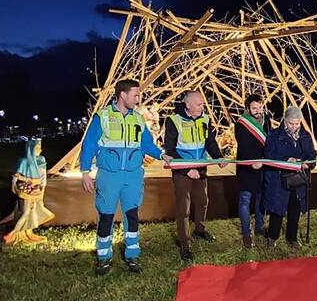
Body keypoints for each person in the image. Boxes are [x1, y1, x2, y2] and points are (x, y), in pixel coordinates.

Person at [80, 79, 171, 276]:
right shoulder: (102, 117)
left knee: (132, 216)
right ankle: (104, 258)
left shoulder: (138, 119)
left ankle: (132, 255)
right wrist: (85, 172)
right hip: (109, 176)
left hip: (133, 176)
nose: (138, 100)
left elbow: (147, 144)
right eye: (135, 95)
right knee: (106, 217)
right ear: (122, 95)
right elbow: (88, 145)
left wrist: (162, 154)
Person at [163, 90, 226, 260]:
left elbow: (210, 142)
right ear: (187, 105)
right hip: (183, 172)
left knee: (203, 201)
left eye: (203, 104)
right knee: (183, 208)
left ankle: (200, 229)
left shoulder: (205, 119)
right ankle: (185, 242)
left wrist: (218, 157)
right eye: (199, 104)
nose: (202, 107)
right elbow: (170, 151)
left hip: (201, 169)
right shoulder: (173, 121)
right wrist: (186, 170)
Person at [263, 106, 316, 249]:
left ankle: (292, 237)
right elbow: (269, 154)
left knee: (295, 209)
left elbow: (311, 155)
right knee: (277, 209)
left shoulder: (305, 136)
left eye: (297, 123)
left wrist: (308, 164)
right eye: (291, 123)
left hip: (298, 179)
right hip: (280, 179)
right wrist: (287, 159)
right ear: (285, 120)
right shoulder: (274, 135)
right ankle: (272, 237)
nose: (294, 126)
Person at [0, 138, 55, 244]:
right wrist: (16, 185)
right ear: (31, 149)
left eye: (40, 147)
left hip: (35, 191)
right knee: (25, 213)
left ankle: (28, 233)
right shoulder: (24, 161)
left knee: (33, 212)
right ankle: (13, 233)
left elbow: (43, 177)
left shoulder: (40, 160)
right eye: (37, 148)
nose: (40, 150)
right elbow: (16, 177)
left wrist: (42, 188)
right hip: (25, 191)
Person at [235, 94, 271, 248]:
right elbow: (243, 145)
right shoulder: (241, 123)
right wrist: (252, 162)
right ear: (248, 108)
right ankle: (246, 233)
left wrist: (264, 159)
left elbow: (269, 142)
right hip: (247, 167)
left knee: (261, 199)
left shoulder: (267, 121)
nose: (258, 111)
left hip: (263, 166)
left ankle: (259, 228)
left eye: (260, 107)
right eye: (254, 108)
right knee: (245, 200)